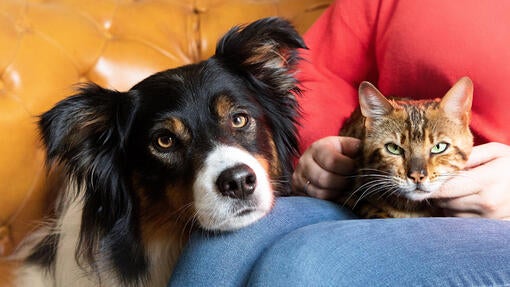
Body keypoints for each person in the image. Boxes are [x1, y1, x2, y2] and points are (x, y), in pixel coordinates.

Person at [168, 1, 510, 286]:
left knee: (299, 267)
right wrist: (321, 148)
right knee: (220, 251)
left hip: (498, 221)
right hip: (372, 185)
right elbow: (319, 72)